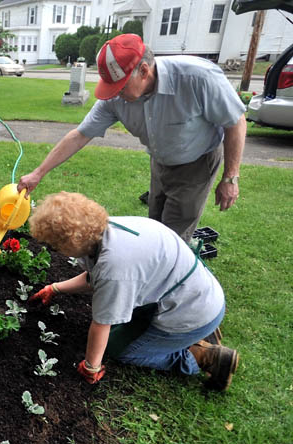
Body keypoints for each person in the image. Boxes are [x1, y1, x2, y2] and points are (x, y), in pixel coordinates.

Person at [17, 34, 247, 242]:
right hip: (160, 160)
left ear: (144, 71)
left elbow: (235, 121)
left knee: (171, 237)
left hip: (196, 161)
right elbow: (80, 135)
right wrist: (38, 173)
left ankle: (166, 279)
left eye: (119, 86)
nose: (114, 93)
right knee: (155, 222)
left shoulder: (197, 78)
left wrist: (230, 177)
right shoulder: (115, 98)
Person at [27, 191, 239, 391]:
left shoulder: (115, 267)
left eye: (55, 247)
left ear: (73, 241)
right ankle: (195, 330)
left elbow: (102, 324)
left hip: (190, 312)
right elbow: (95, 279)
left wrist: (92, 366)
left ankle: (202, 355)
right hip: (196, 293)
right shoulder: (109, 230)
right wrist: (54, 289)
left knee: (119, 349)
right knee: (120, 328)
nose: (55, 252)